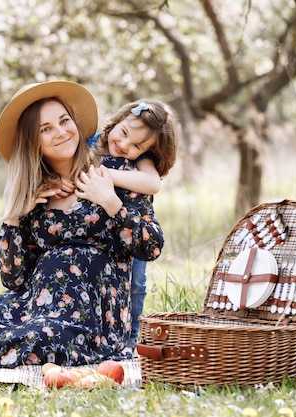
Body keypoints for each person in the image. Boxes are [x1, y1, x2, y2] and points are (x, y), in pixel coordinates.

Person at [0, 81, 165, 377]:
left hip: (91, 318)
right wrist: (14, 217)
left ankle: (60, 361)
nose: (61, 132)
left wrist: (110, 202)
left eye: (64, 121)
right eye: (46, 129)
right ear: (33, 141)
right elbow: (13, 278)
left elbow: (151, 246)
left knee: (45, 340)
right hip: (35, 307)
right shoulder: (37, 192)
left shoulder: (118, 174)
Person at [88, 99, 178, 350]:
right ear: (119, 119)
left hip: (131, 231)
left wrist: (108, 174)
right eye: (124, 133)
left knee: (135, 283)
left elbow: (152, 184)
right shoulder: (91, 143)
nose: (124, 145)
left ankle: (131, 337)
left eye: (136, 145)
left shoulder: (142, 161)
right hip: (96, 234)